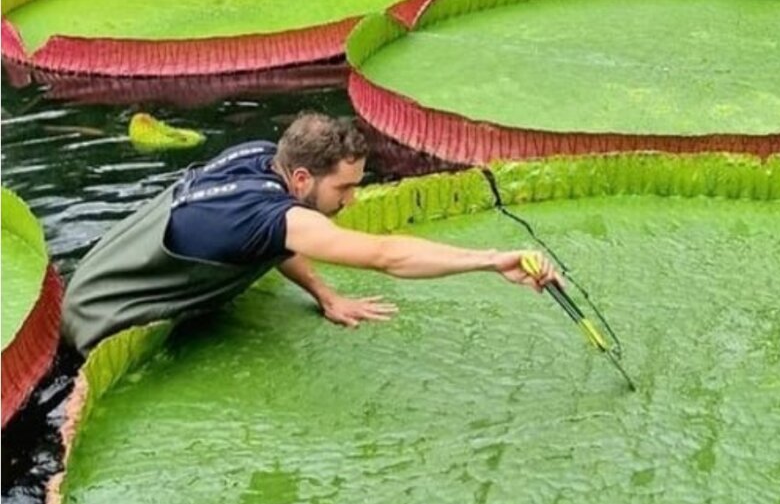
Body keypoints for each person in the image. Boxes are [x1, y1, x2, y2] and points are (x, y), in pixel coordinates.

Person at [59, 112, 555, 353]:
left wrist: (324, 293)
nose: (351, 200)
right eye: (344, 188)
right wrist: (491, 260)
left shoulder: (259, 156)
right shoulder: (280, 216)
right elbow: (386, 255)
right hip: (98, 326)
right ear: (301, 178)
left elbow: (275, 240)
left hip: (88, 281)